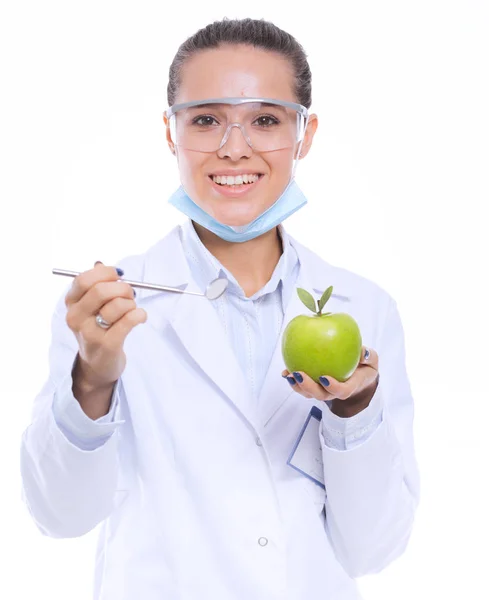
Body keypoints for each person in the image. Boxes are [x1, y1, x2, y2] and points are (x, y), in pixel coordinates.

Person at [20, 17, 420, 600]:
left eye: (265, 119)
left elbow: (375, 547)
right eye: (206, 120)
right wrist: (91, 382)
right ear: (170, 132)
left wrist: (353, 410)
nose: (235, 147)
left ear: (305, 134)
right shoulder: (104, 310)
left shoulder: (366, 310)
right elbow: (60, 516)